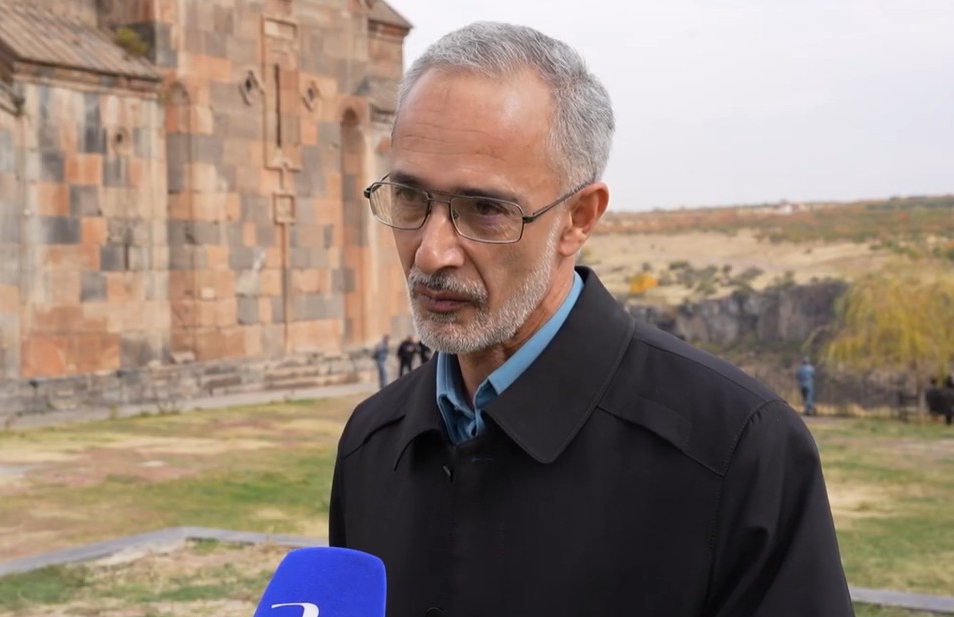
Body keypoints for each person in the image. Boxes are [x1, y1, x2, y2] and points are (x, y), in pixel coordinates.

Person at [330, 22, 852, 616]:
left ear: (578, 218)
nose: (430, 253)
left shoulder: (737, 451)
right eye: (409, 197)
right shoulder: (371, 443)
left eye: (484, 209)